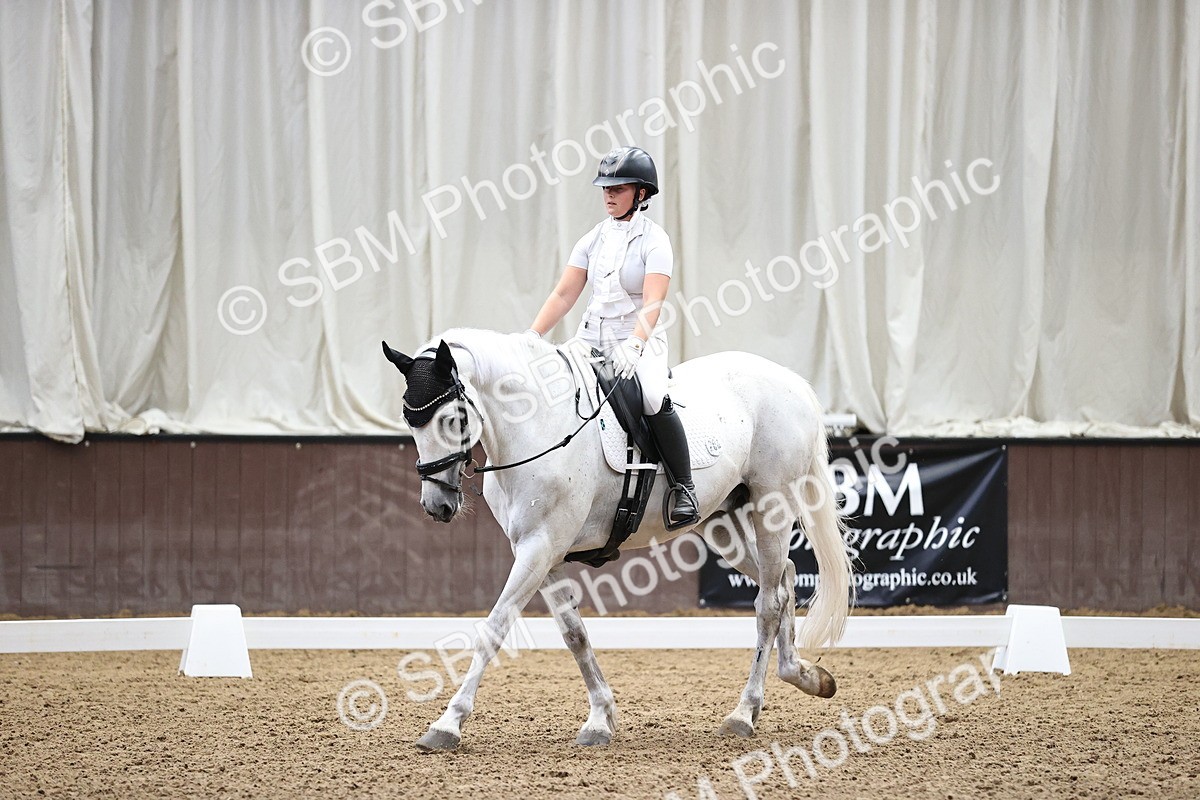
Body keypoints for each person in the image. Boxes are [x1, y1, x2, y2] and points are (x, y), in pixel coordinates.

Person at [526, 146, 699, 529]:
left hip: (640, 338)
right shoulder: (592, 239)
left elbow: (653, 302)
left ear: (640, 193)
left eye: (618, 188)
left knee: (653, 394)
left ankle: (683, 487)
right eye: (605, 187)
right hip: (591, 339)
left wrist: (635, 345)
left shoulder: (656, 241)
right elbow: (564, 293)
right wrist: (533, 335)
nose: (608, 194)